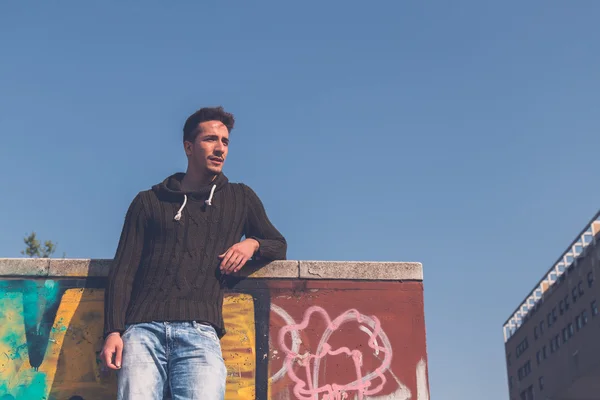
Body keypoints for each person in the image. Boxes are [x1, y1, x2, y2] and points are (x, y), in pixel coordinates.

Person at [100, 106, 287, 400]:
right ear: (188, 147)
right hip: (142, 333)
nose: (220, 148)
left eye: (225, 141)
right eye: (211, 139)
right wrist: (113, 330)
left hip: (200, 334)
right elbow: (123, 271)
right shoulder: (148, 202)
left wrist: (251, 244)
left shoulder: (240, 198)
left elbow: (277, 243)